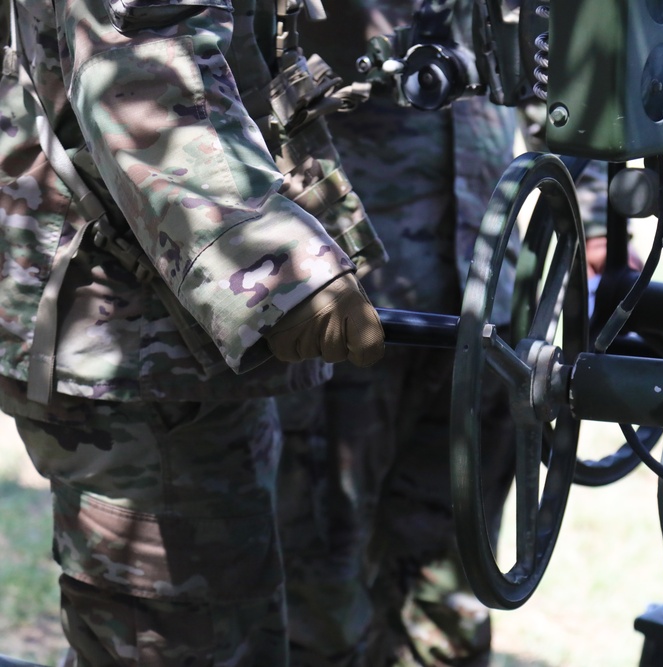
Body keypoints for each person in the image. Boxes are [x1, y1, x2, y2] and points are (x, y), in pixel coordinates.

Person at [0, 0, 384, 664]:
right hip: (130, 343)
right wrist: (278, 273)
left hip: (168, 338)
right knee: (180, 637)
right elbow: (140, 65)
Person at [275, 1, 521, 665]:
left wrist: (584, 219)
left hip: (483, 295)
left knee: (450, 593)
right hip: (349, 301)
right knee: (323, 584)